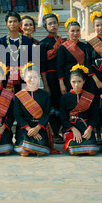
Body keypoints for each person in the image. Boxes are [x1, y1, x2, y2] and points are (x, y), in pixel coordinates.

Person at [13, 63, 57, 156]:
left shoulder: (44, 94)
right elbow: (18, 116)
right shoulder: (18, 96)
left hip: (39, 126)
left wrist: (37, 128)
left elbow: (46, 114)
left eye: (35, 77)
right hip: (25, 127)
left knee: (41, 152)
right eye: (29, 77)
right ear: (24, 78)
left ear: (39, 78)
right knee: (24, 152)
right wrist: (30, 129)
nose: (32, 80)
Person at [59, 65, 99, 156]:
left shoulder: (90, 97)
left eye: (79, 81)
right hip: (71, 127)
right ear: (70, 82)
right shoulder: (65, 98)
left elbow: (95, 115)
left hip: (85, 127)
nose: (76, 84)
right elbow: (63, 117)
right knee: (75, 152)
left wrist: (89, 129)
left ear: (84, 82)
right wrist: (73, 130)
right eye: (74, 82)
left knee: (92, 151)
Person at [39, 13, 64, 144]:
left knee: (62, 104)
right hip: (50, 77)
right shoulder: (43, 44)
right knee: (52, 105)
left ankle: (64, 130)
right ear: (45, 26)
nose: (53, 25)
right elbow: (42, 66)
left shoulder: (64, 41)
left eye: (54, 22)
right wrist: (46, 84)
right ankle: (55, 133)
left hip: (63, 77)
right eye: (50, 23)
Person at [0, 12, 33, 92]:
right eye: (10, 22)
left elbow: (30, 59)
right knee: (8, 100)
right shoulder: (2, 41)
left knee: (23, 100)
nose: (12, 24)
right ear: (6, 24)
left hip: (23, 76)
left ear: (20, 23)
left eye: (15, 21)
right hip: (6, 76)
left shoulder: (26, 41)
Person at [57, 18, 93, 94]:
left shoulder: (84, 46)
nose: (75, 33)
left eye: (77, 31)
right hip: (69, 79)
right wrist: (61, 83)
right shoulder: (63, 47)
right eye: (72, 31)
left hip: (83, 78)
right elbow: (60, 66)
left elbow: (87, 63)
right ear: (67, 32)